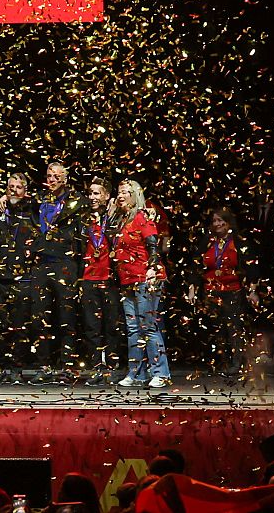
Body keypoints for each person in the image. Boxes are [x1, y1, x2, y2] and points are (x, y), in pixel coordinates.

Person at [186, 205, 258, 379]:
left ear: (228, 223)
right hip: (211, 292)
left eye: (220, 221)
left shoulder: (238, 241)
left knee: (234, 328)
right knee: (216, 329)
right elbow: (195, 267)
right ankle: (220, 362)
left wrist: (253, 291)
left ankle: (236, 364)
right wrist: (192, 289)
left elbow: (251, 269)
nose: (217, 224)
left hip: (233, 291)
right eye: (214, 221)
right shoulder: (207, 241)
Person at [113, 180, 170, 389]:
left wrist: (153, 269)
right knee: (133, 328)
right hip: (127, 279)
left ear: (135, 195)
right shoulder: (121, 220)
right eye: (119, 192)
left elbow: (153, 245)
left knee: (148, 326)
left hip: (146, 278)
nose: (121, 196)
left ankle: (161, 372)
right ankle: (136, 372)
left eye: (126, 193)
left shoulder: (142, 216)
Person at [28, 163, 82, 383]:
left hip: (65, 263)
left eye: (56, 176)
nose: (51, 180)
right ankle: (44, 365)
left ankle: (67, 366)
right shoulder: (38, 200)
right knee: (40, 317)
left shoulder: (77, 202)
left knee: (66, 317)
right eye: (49, 176)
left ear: (65, 179)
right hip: (41, 263)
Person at [0, 174, 38, 385]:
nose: (14, 191)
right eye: (10, 187)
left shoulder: (31, 210)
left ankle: (16, 367)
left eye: (18, 187)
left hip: (22, 277)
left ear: (25, 190)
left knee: (20, 325)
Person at [76, 177, 120, 386]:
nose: (92, 197)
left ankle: (112, 366)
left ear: (106, 196)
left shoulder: (114, 218)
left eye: (97, 193)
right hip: (87, 278)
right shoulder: (83, 218)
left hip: (110, 279)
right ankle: (95, 367)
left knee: (111, 324)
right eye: (90, 193)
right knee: (91, 326)